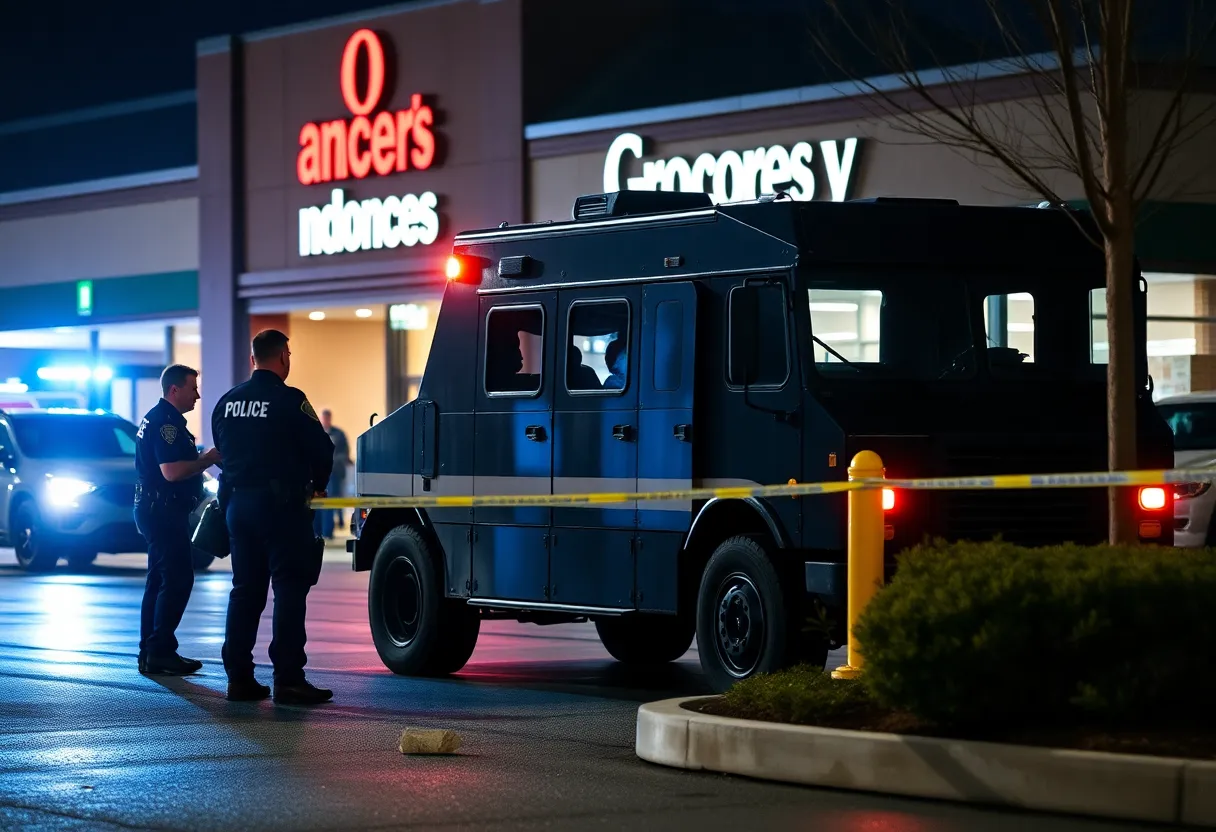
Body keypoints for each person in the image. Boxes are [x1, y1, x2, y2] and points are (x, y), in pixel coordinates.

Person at [212, 329, 335, 704]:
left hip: (237, 508)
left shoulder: (226, 402)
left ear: (253, 360)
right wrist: (318, 485)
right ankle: (288, 679)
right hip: (281, 509)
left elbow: (221, 451)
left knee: (245, 591)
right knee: (289, 589)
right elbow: (322, 448)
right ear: (283, 356)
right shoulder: (289, 400)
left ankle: (238, 678)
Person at [134, 364, 220, 676]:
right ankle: (159, 651)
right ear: (174, 390)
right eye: (192, 388)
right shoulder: (165, 423)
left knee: (158, 579)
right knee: (178, 578)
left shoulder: (158, 419)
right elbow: (171, 471)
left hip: (157, 508)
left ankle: (152, 650)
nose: (197, 395)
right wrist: (207, 460)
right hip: (163, 511)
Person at [312, 409, 350, 540]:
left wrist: (332, 461)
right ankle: (316, 532)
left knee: (330, 503)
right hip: (316, 473)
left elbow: (344, 453)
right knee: (317, 503)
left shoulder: (339, 434)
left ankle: (328, 532)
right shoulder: (315, 432)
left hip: (333, 474)